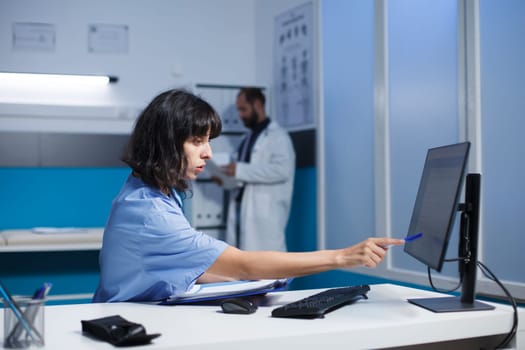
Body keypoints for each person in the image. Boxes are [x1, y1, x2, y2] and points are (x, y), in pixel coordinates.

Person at [93, 89, 403, 303]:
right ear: (167, 142)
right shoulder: (153, 214)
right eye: (197, 141)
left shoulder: (149, 190)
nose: (208, 152)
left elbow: (174, 270)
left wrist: (236, 285)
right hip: (126, 324)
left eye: (208, 141)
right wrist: (345, 256)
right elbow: (241, 264)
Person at [219, 87, 295, 251]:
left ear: (258, 104)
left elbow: (282, 170)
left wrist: (239, 170)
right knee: (242, 263)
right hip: (242, 210)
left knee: (269, 267)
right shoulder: (247, 138)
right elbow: (244, 176)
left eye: (243, 109)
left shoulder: (278, 137)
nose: (240, 115)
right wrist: (225, 179)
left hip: (264, 215)